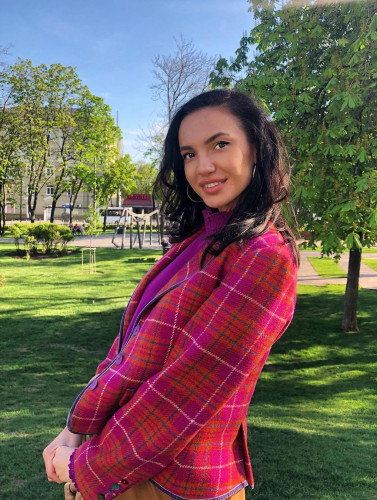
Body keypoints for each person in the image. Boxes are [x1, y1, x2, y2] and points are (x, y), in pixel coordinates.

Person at [43, 89, 298, 500]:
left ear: (256, 149)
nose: (203, 166)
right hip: (127, 461)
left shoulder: (265, 255)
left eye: (220, 144)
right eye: (189, 154)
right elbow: (129, 350)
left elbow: (188, 387)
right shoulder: (198, 240)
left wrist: (85, 465)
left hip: (178, 481)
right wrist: (76, 426)